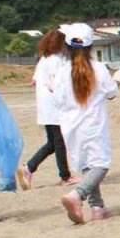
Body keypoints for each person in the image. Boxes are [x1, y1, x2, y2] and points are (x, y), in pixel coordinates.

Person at [52, 23, 120, 224]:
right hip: (93, 124)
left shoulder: (62, 71)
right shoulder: (98, 68)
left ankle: (97, 208)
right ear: (91, 47)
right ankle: (78, 195)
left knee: (86, 165)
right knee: (101, 164)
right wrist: (118, 77)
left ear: (66, 47)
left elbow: (57, 99)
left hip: (70, 126)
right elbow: (112, 93)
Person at [18, 29, 76, 190]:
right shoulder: (58, 61)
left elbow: (34, 81)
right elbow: (59, 84)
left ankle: (29, 168)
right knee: (59, 142)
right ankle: (64, 176)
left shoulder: (44, 60)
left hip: (44, 107)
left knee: (53, 142)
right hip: (55, 107)